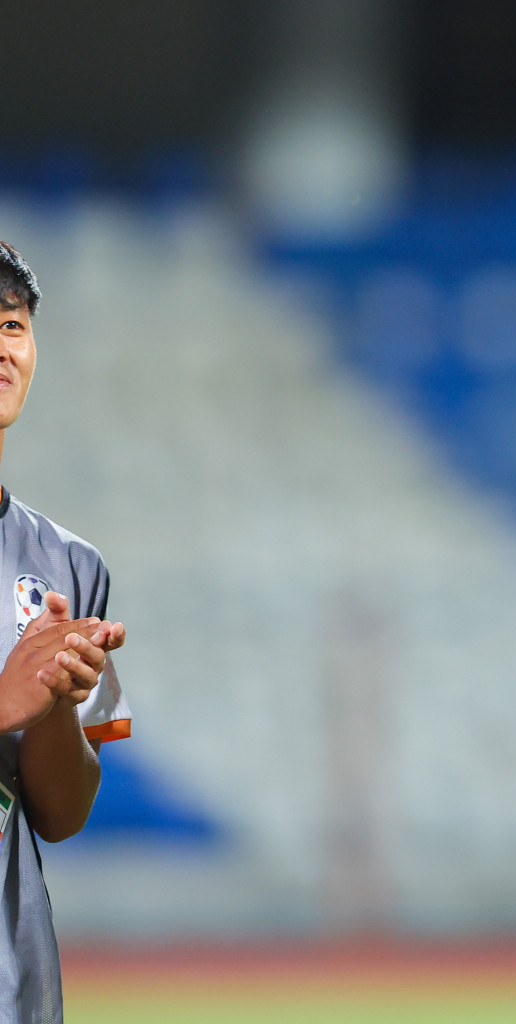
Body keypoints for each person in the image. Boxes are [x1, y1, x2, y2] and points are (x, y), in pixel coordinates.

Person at [0, 240, 132, 1023]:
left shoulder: (67, 566)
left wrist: (52, 705)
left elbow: (62, 815)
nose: (0, 345)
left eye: (11, 323)